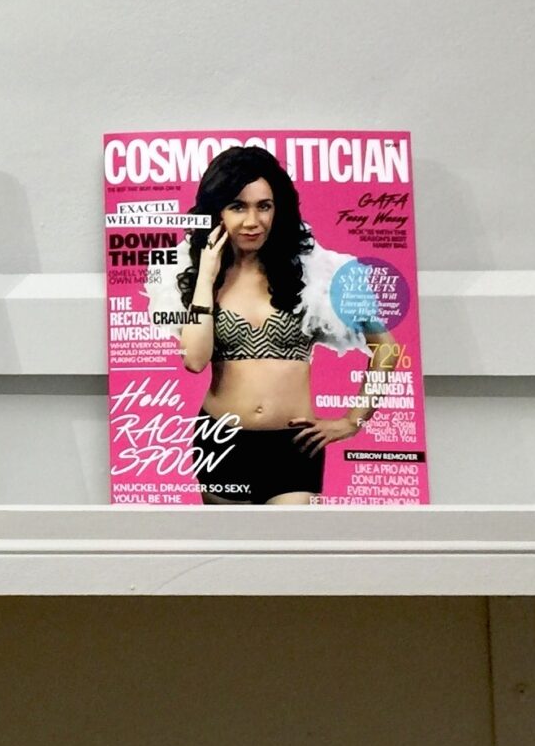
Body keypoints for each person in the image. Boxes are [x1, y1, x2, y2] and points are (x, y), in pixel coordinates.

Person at [167, 145, 399, 505]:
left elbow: (386, 348)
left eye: (264, 206)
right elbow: (195, 360)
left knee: (294, 540)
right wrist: (206, 277)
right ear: (217, 211)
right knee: (228, 544)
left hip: (295, 445)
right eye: (237, 207)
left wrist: (354, 420)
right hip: (220, 440)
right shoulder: (198, 276)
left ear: (278, 208)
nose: (252, 221)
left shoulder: (319, 273)